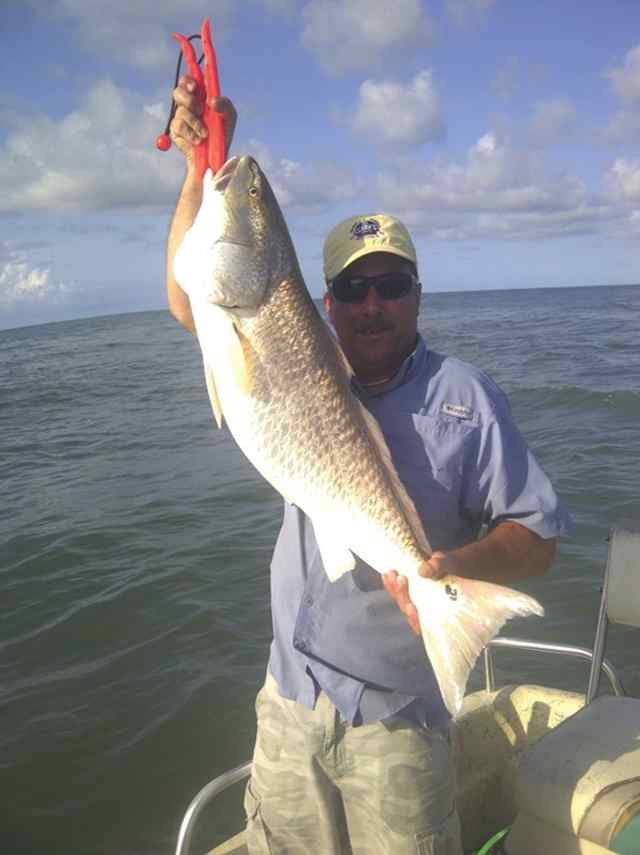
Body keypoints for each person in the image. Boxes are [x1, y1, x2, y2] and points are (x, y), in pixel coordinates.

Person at [166, 78, 570, 855]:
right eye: (354, 288)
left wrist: (452, 567)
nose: (373, 303)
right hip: (288, 701)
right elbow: (193, 296)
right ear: (327, 300)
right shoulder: (290, 342)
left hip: (397, 725)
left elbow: (541, 533)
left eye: (391, 285)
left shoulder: (467, 397)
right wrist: (196, 169)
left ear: (417, 294)